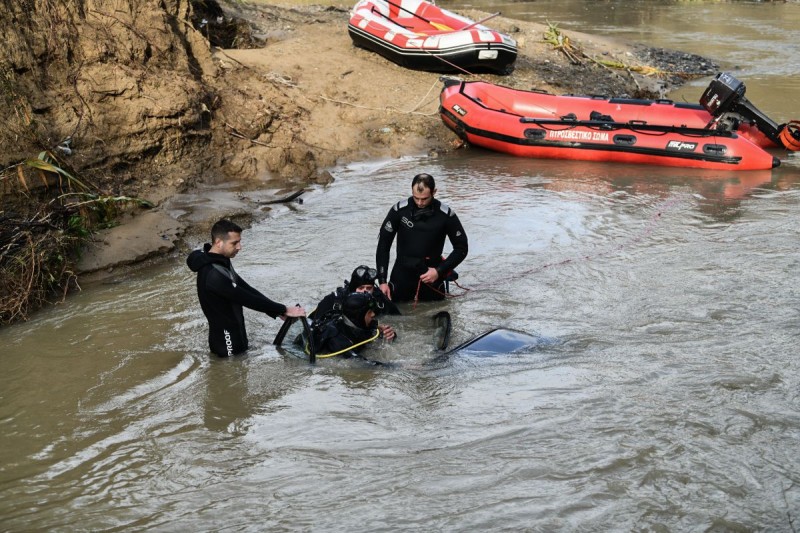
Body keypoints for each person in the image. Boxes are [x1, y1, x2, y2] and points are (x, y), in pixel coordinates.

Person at [187, 219, 306, 357]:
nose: (239, 247)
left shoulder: (219, 262)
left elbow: (245, 288)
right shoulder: (214, 276)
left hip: (235, 338)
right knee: (231, 373)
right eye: (234, 243)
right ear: (219, 242)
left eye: (239, 241)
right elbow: (247, 299)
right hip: (227, 347)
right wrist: (283, 309)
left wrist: (277, 311)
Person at [376, 173, 468, 302]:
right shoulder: (399, 211)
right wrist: (382, 281)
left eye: (424, 199)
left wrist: (439, 271)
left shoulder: (446, 215)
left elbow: (461, 248)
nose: (420, 203)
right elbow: (383, 246)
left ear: (434, 192)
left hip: (432, 277)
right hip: (401, 276)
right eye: (416, 198)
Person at [311, 265, 397, 341]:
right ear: (352, 288)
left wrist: (390, 334)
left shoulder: (378, 298)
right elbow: (313, 326)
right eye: (361, 288)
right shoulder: (334, 300)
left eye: (369, 288)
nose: (365, 292)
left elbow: (400, 318)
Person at [307, 292, 389, 358]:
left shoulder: (357, 325)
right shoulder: (337, 340)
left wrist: (388, 335)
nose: (373, 314)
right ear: (358, 316)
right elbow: (360, 364)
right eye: (369, 312)